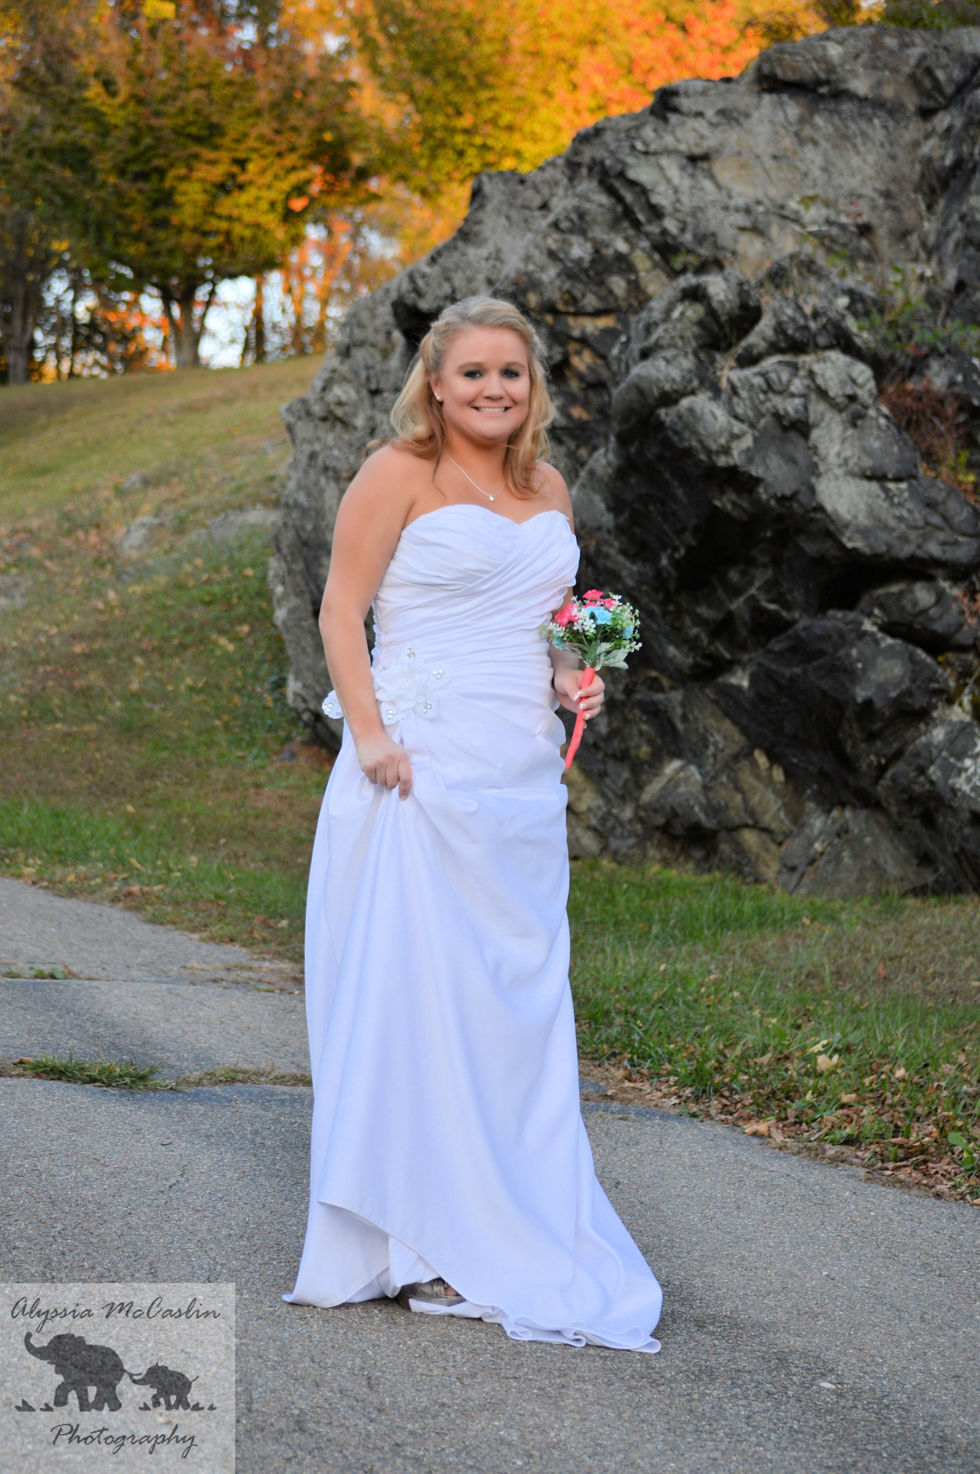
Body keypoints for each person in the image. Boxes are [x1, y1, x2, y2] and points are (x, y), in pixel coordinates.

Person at [283, 296, 663, 1352]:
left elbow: (543, 628)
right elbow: (339, 611)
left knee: (510, 1007)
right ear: (436, 386)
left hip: (518, 779)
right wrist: (368, 735)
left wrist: (571, 676)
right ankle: (420, 1241)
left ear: (531, 386)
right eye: (474, 373)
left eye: (512, 372)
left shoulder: (549, 487)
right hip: (415, 769)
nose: (495, 389)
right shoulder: (394, 473)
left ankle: (511, 1214)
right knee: (422, 997)